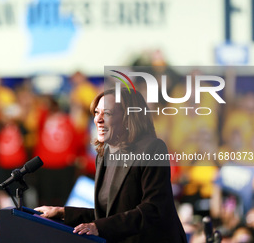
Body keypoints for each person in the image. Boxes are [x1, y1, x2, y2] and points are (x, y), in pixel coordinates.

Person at [35, 88, 187, 243]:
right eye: (96, 112)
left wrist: (99, 227)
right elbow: (109, 215)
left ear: (128, 117)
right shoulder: (104, 154)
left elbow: (153, 209)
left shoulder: (153, 148)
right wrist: (63, 212)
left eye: (107, 113)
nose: (98, 119)